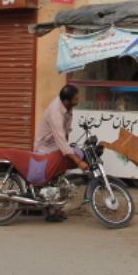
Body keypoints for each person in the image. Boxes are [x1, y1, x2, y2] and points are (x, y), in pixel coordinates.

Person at [34, 84, 88, 221]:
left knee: (59, 179)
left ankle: (56, 208)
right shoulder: (55, 113)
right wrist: (78, 162)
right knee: (50, 181)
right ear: (66, 101)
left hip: (56, 146)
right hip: (45, 148)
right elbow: (61, 140)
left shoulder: (68, 108)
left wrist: (69, 149)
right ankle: (50, 212)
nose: (78, 100)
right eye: (76, 98)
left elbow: (66, 131)